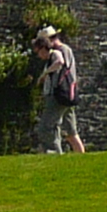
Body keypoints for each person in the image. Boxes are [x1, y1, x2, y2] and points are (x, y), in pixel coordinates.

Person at [31, 24, 84, 153]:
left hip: (60, 93)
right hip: (66, 94)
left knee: (49, 126)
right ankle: (82, 157)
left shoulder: (60, 50)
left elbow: (61, 66)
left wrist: (44, 75)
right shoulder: (63, 50)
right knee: (71, 132)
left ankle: (56, 153)